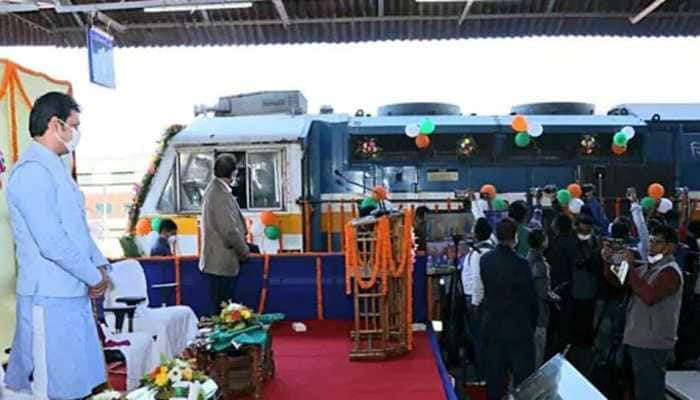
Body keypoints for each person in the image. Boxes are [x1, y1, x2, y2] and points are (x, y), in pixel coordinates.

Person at [4, 92, 111, 399]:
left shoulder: (55, 167)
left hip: (70, 290)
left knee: (76, 384)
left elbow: (76, 229)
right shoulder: (31, 172)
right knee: (51, 389)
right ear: (55, 124)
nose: (77, 133)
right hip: (48, 295)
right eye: (74, 125)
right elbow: (51, 242)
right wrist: (93, 277)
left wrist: (99, 264)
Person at [603, 225, 683, 400]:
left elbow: (649, 295)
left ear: (670, 247)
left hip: (653, 342)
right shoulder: (646, 267)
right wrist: (609, 261)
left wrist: (630, 266)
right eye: (651, 241)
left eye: (657, 242)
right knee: (635, 389)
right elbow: (618, 282)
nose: (651, 246)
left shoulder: (670, 271)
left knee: (649, 392)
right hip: (637, 338)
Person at [480, 218, 538, 400]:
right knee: (523, 384)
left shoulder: (485, 260)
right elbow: (531, 299)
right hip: (519, 330)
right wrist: (531, 325)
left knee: (495, 382)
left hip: (493, 328)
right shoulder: (521, 264)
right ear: (515, 237)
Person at [200, 154, 250, 314]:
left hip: (217, 261)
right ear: (233, 173)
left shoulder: (215, 190)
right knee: (224, 311)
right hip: (221, 263)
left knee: (223, 308)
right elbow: (229, 231)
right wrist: (244, 251)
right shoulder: (219, 194)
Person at [461, 218, 495, 379]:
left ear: (477, 233)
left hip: (477, 301)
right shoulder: (484, 249)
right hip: (479, 299)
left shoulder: (480, 253)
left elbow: (478, 280)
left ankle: (482, 373)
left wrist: (475, 303)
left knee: (479, 337)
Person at [528, 228, 557, 367]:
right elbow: (543, 292)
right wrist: (554, 297)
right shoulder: (540, 264)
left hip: (527, 314)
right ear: (543, 242)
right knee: (537, 354)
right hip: (539, 315)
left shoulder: (526, 259)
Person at [571, 215, 602, 349]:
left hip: (589, 287)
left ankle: (584, 343)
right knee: (577, 318)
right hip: (576, 287)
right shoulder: (572, 241)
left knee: (587, 318)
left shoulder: (595, 242)